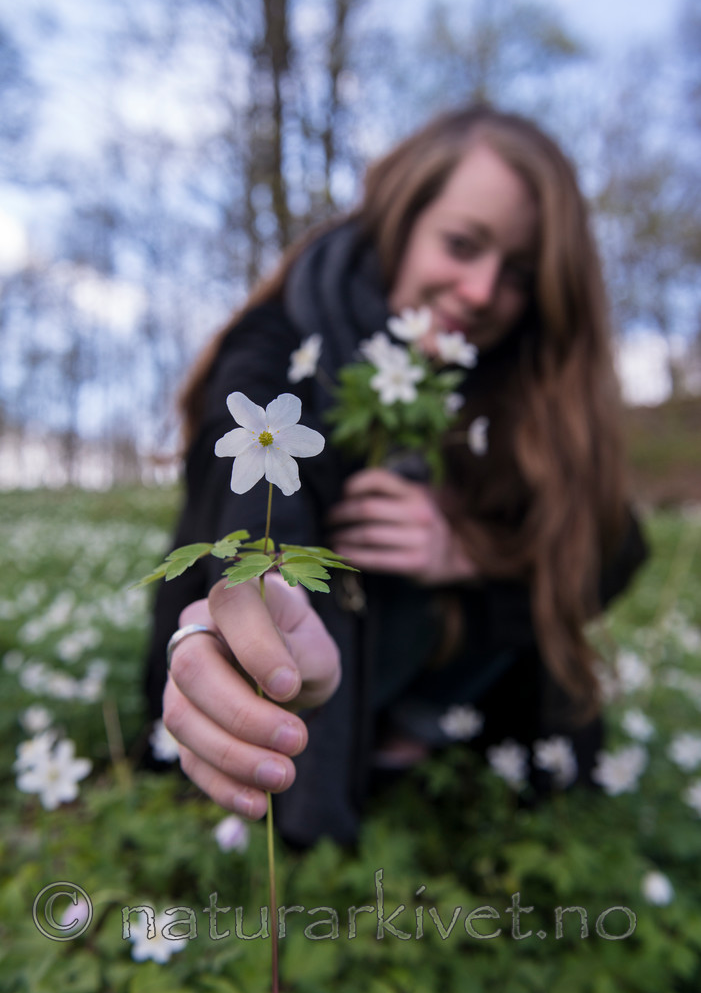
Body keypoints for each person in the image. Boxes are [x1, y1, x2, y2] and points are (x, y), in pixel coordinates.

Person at [143, 104, 648, 848]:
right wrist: (248, 625)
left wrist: (470, 558)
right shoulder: (277, 349)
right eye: (460, 244)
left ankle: (413, 727)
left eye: (517, 273)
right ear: (399, 220)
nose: (478, 292)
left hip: (466, 736)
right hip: (306, 699)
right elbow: (247, 511)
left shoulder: (526, 380)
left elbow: (616, 546)